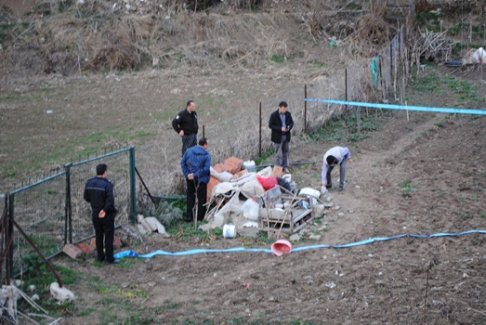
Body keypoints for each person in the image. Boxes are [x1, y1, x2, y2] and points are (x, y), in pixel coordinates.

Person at [84, 163, 117, 263]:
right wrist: (104, 210)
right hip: (106, 214)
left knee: (98, 235)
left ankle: (100, 257)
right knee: (108, 236)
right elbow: (110, 201)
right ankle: (109, 258)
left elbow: (86, 197)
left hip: (95, 213)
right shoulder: (107, 185)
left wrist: (96, 206)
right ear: (104, 172)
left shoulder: (89, 183)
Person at [181, 138, 211, 222]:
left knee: (190, 197)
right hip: (201, 180)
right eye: (207, 144)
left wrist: (187, 174)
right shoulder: (206, 156)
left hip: (190, 179)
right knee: (201, 198)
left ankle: (189, 217)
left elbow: (182, 163)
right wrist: (195, 175)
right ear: (205, 145)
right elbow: (206, 169)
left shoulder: (188, 151)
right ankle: (200, 218)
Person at [269, 101, 294, 172]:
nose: (285, 110)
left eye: (285, 108)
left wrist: (289, 127)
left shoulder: (288, 114)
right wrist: (280, 128)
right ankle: (278, 168)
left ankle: (285, 166)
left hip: (286, 135)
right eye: (283, 108)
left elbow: (292, 123)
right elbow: (270, 125)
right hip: (278, 137)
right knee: (278, 153)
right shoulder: (274, 115)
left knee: (286, 152)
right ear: (279, 107)